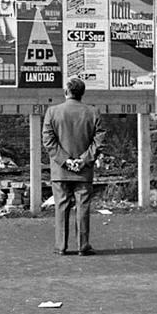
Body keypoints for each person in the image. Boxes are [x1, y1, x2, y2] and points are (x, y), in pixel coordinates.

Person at [42, 77, 107, 256]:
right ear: (82, 93)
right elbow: (99, 140)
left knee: (61, 207)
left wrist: (65, 160)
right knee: (83, 207)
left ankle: (61, 246)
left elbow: (48, 141)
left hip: (60, 170)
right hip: (83, 170)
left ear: (66, 92)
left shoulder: (52, 112)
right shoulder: (93, 112)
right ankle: (83, 245)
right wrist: (84, 160)